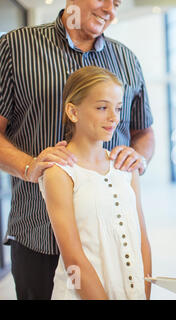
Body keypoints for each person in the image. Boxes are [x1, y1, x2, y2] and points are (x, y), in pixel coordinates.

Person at [0, 0, 154, 299]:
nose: (110, 8)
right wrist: (28, 166)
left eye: (118, 2)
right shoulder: (15, 48)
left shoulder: (127, 60)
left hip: (109, 239)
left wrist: (140, 158)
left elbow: (144, 132)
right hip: (36, 234)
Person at [40, 66, 151, 299]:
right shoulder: (59, 173)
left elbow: (141, 239)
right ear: (73, 111)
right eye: (102, 107)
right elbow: (74, 259)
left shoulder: (125, 167)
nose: (114, 118)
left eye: (118, 108)